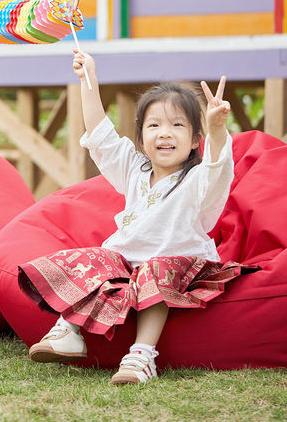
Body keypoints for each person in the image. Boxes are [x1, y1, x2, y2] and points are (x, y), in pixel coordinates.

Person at [18, 50, 248, 385]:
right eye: (154, 125)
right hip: (129, 263)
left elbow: (217, 169)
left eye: (177, 125)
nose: (164, 133)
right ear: (141, 138)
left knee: (154, 270)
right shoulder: (134, 170)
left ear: (195, 140)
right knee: (95, 257)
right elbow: (101, 135)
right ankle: (68, 331)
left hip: (179, 265)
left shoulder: (197, 179)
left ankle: (141, 356)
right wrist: (89, 81)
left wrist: (215, 129)